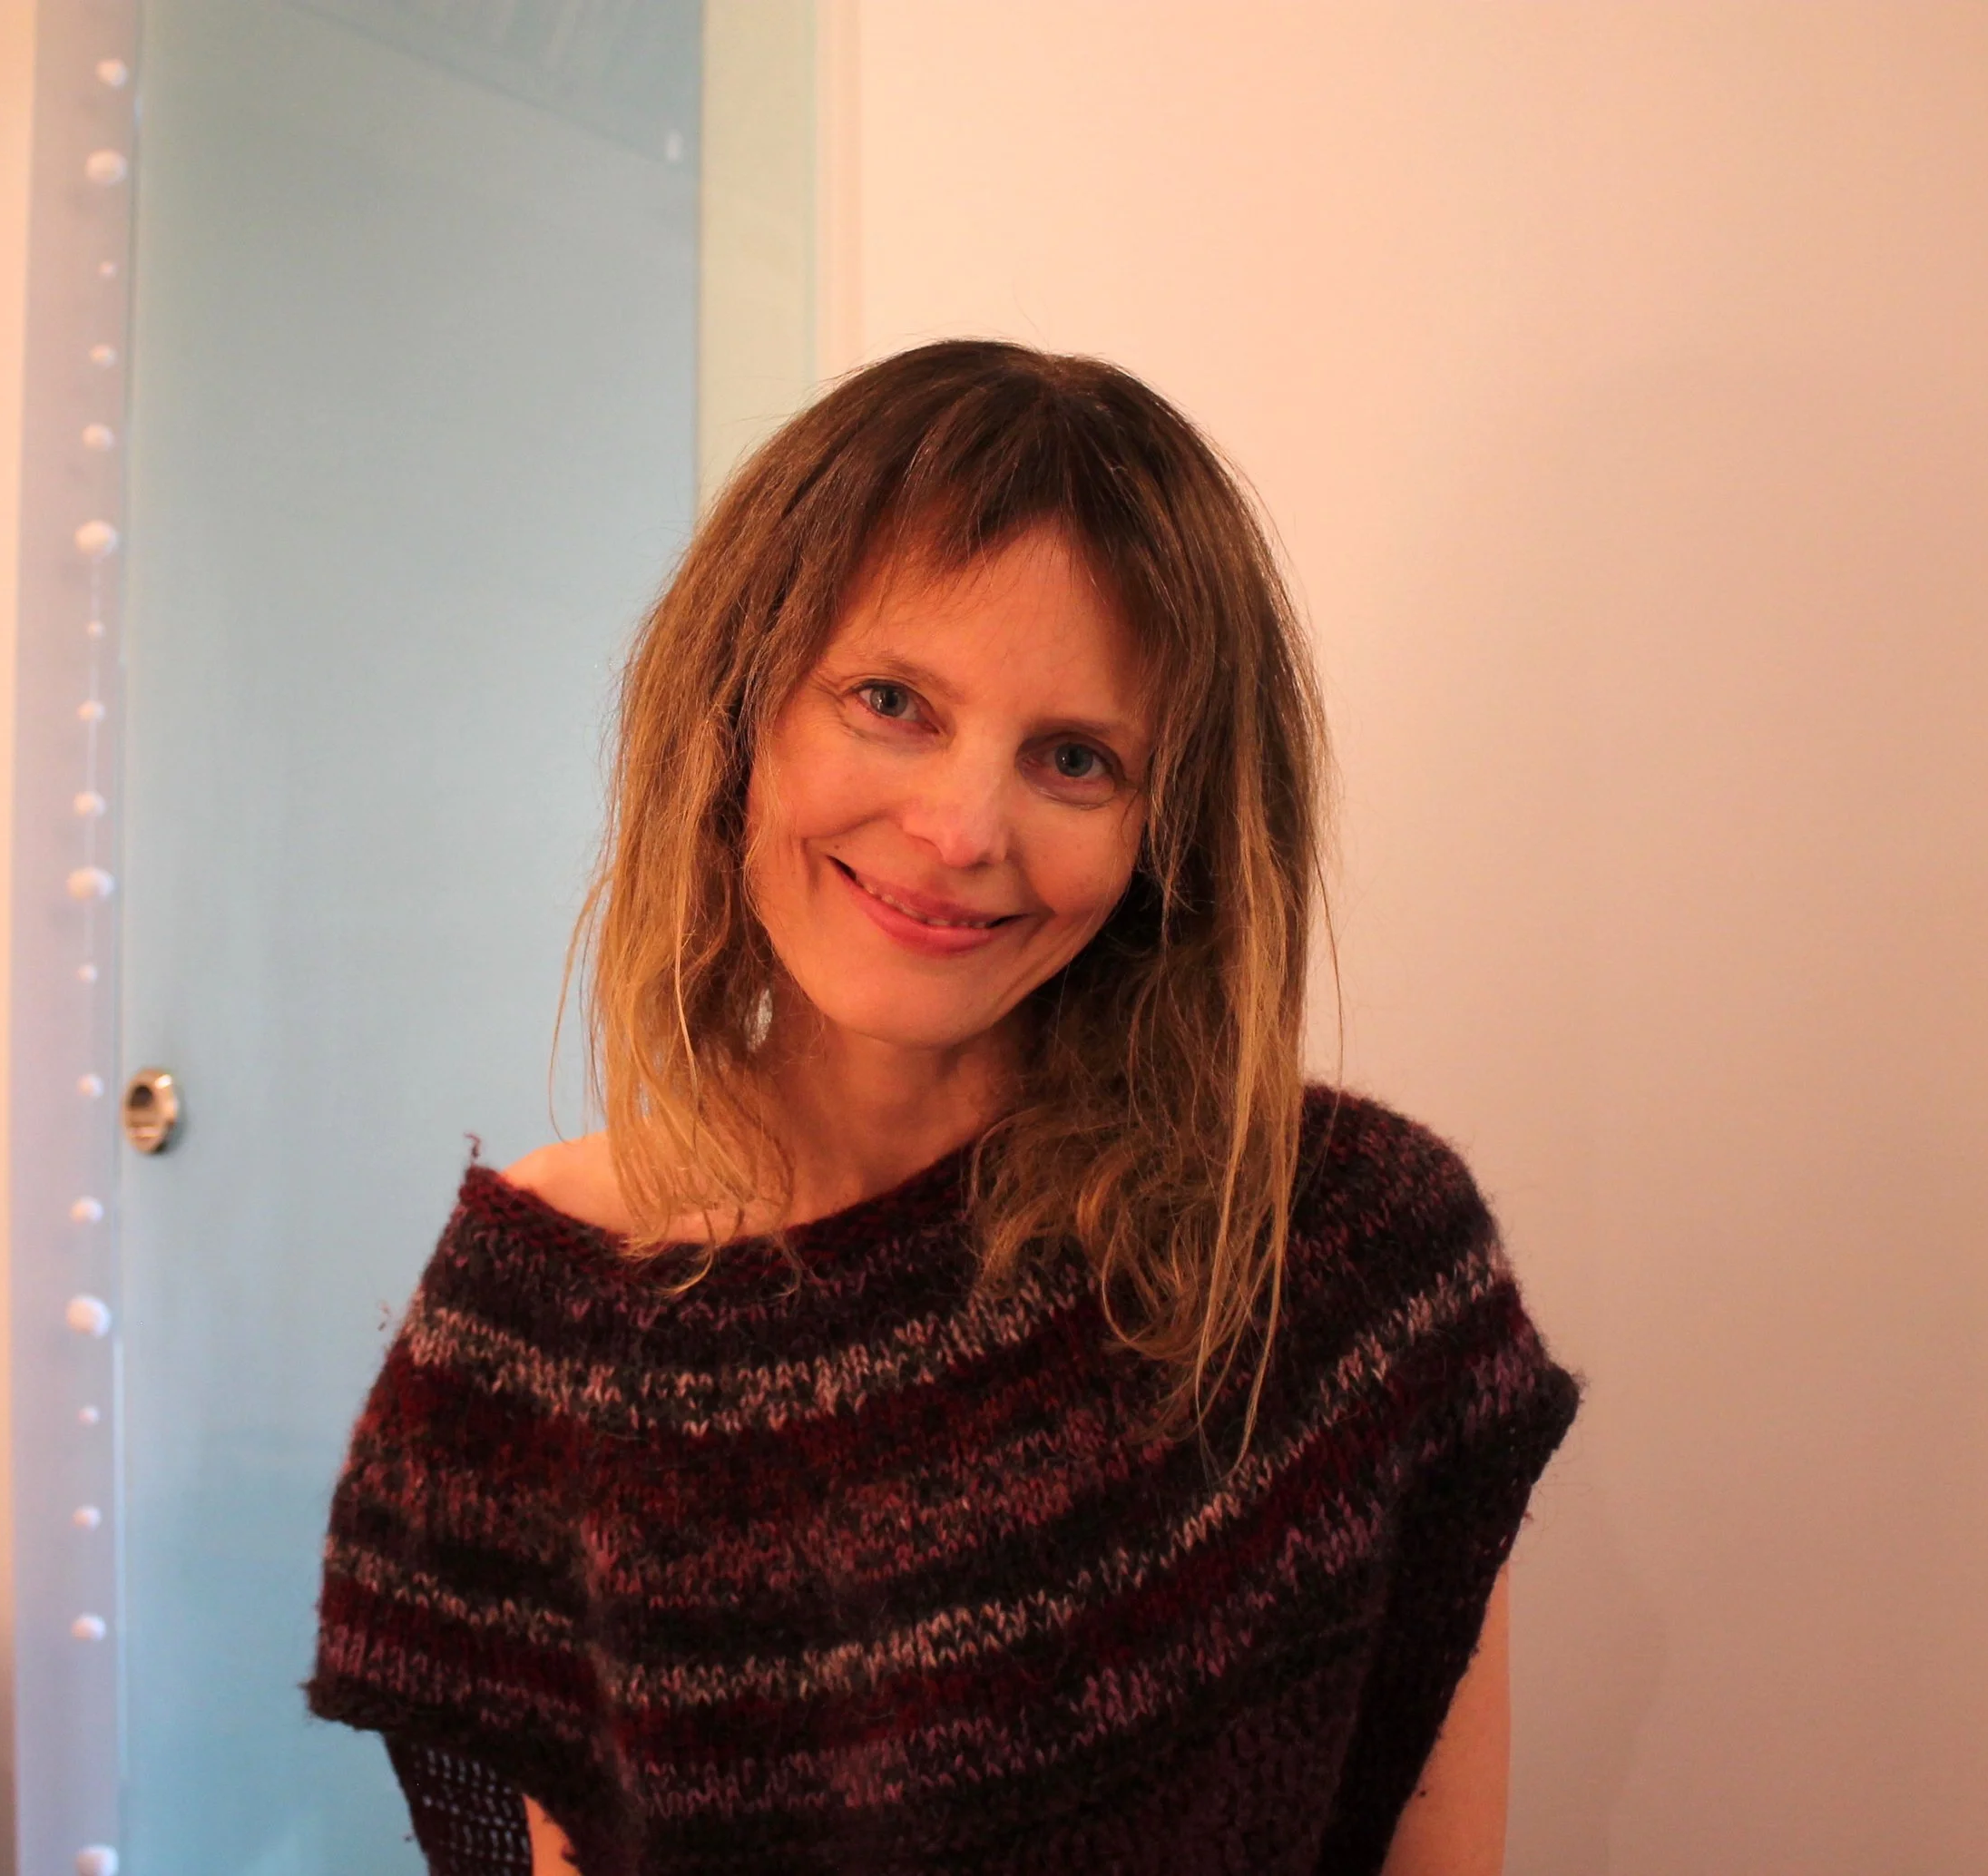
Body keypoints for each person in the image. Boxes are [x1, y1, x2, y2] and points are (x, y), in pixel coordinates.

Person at [303, 338, 1581, 1876]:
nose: (964, 826)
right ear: (737, 710)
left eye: (1076, 759)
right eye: (892, 701)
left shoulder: (1344, 1257)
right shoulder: (545, 1322)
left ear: (1170, 836)